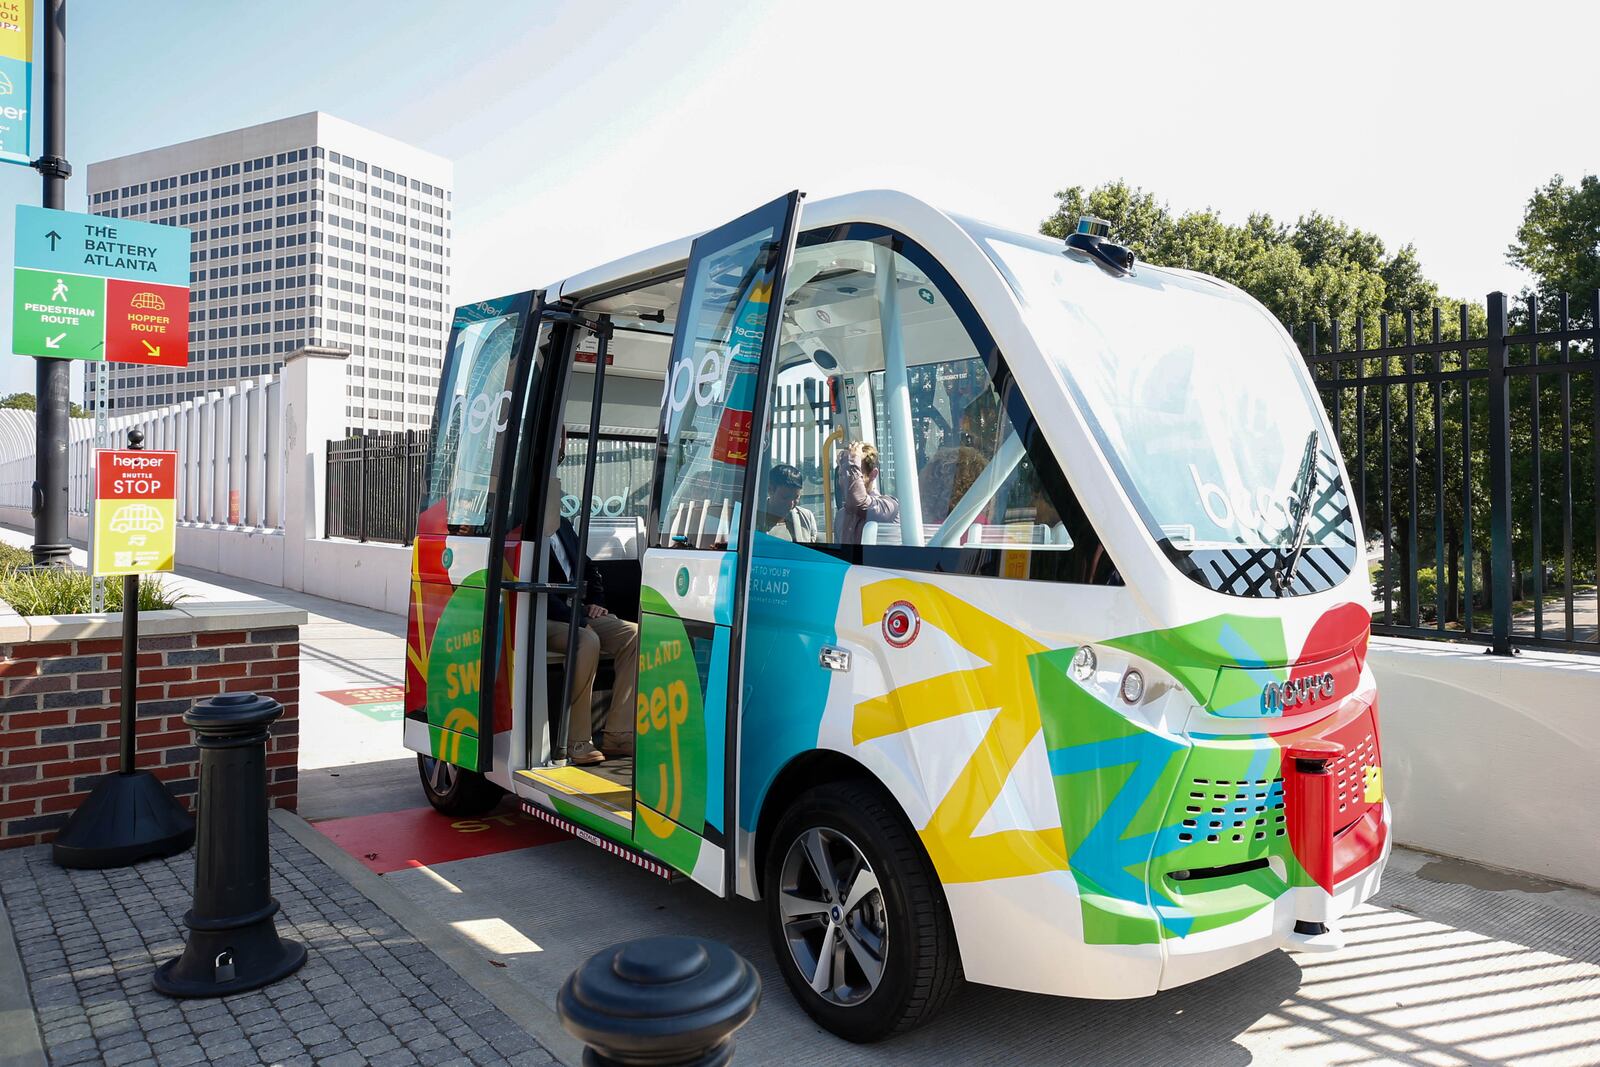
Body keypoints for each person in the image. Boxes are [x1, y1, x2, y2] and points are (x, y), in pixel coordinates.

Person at [545, 453, 639, 766]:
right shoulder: (524, 534)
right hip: (543, 618)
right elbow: (539, 590)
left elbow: (589, 568)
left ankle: (618, 733)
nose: (561, 499)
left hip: (578, 612)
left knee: (634, 636)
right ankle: (577, 742)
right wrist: (579, 617)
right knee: (586, 641)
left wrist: (596, 602)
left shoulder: (564, 527)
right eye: (555, 495)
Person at [836, 440, 900, 544]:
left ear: (873, 474)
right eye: (842, 474)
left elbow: (860, 503)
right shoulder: (840, 517)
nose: (845, 481)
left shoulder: (889, 507)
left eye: (855, 473)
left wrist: (852, 462)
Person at [758, 463, 818, 543]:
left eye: (796, 497)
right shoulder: (752, 517)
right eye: (785, 497)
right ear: (770, 490)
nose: (791, 504)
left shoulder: (806, 517)